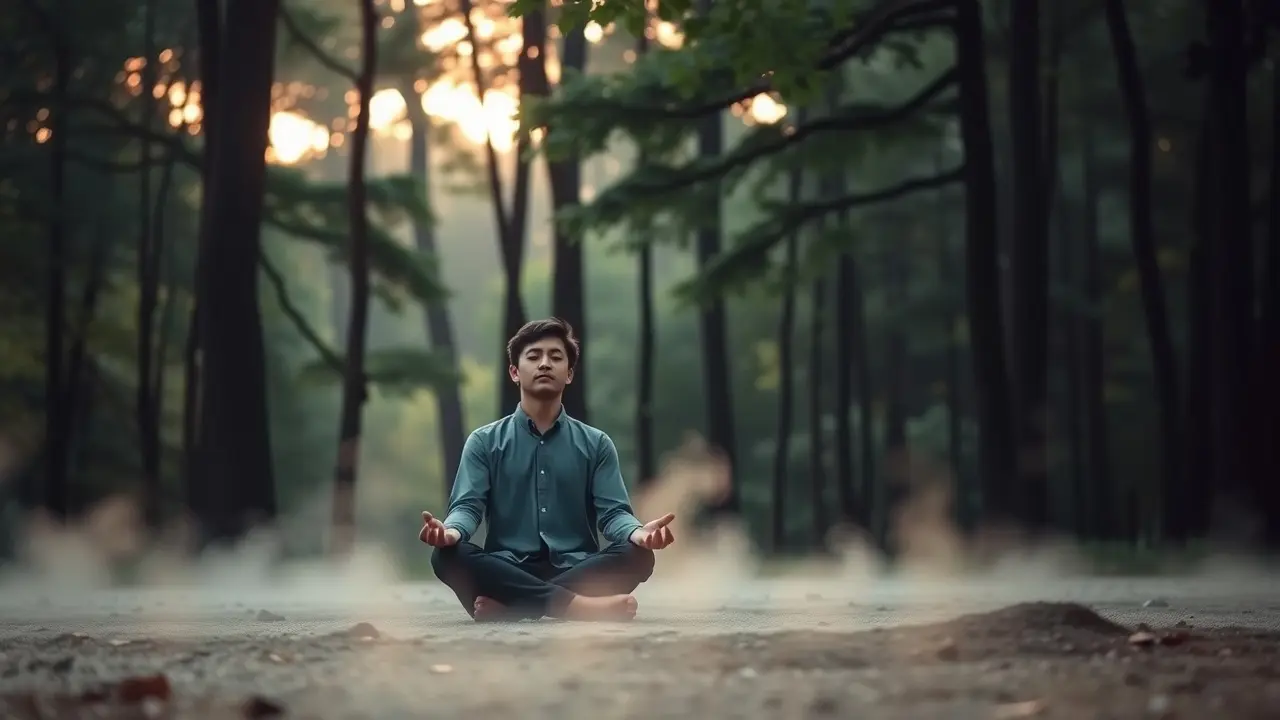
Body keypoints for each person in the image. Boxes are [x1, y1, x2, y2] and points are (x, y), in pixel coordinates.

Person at [420, 318, 676, 622]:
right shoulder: (483, 442)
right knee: (447, 555)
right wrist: (451, 531)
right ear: (515, 372)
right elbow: (468, 506)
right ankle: (579, 607)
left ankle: (516, 607)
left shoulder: (596, 444)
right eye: (533, 356)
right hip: (507, 568)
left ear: (569, 374)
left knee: (638, 555)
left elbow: (613, 513)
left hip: (576, 568)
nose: (544, 364)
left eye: (555, 357)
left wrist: (637, 533)